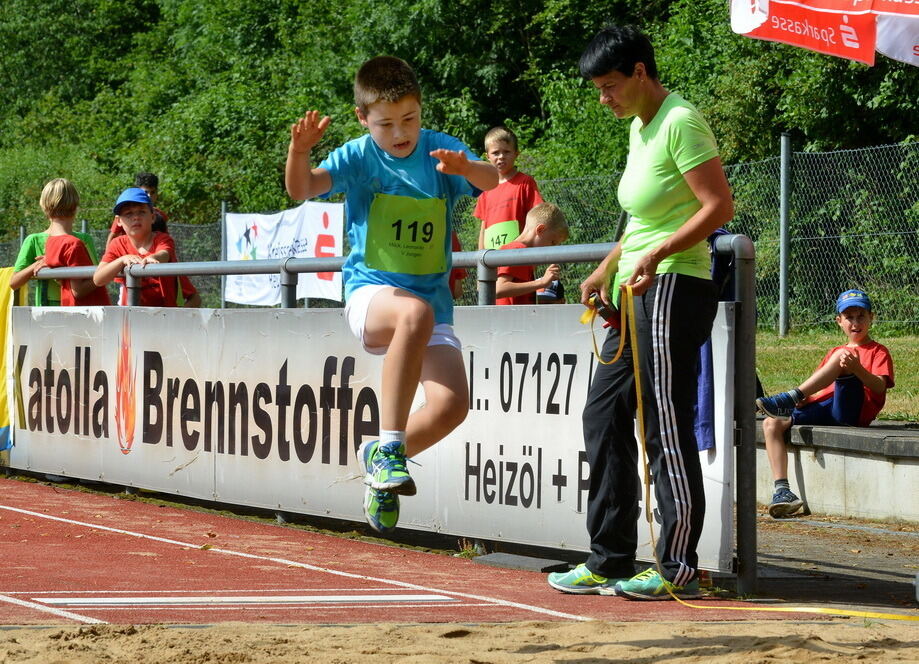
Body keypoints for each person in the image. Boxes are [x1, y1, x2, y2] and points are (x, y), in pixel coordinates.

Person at [546, 25, 734, 600]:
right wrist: (608, 266)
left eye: (609, 86)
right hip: (634, 288)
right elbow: (638, 220)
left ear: (640, 73)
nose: (603, 98)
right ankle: (610, 559)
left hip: (676, 285)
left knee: (665, 426)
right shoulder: (638, 126)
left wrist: (659, 252)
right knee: (603, 418)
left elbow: (718, 206)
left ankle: (677, 565)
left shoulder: (680, 121)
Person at [284, 56, 498, 535]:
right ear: (364, 118)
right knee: (411, 314)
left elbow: (492, 182)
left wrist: (469, 167)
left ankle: (376, 457)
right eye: (386, 124)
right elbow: (302, 189)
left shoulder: (439, 151)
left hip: (431, 305)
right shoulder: (359, 155)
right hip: (372, 295)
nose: (400, 133)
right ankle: (392, 446)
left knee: (451, 408)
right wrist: (299, 152)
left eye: (410, 120)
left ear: (422, 110)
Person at [756, 289, 894, 518]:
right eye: (849, 317)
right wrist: (807, 400)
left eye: (861, 316)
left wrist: (856, 369)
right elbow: (822, 387)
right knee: (772, 424)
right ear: (839, 321)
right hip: (827, 407)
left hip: (853, 411)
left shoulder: (878, 351)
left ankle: (791, 396)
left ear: (872, 318)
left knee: (843, 357)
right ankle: (782, 491)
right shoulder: (835, 352)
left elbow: (879, 387)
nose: (855, 322)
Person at [94, 187, 201, 307]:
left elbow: (164, 254)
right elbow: (98, 279)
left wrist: (154, 258)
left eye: (141, 212)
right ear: (118, 221)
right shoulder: (117, 244)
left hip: (163, 318)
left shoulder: (162, 239)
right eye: (128, 213)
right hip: (132, 318)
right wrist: (122, 260)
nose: (136, 217)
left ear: (153, 217)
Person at [10, 178, 102, 306]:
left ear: (44, 208)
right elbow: (14, 281)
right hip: (47, 310)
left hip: (77, 309)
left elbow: (95, 275)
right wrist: (38, 264)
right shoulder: (34, 240)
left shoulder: (84, 240)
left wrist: (57, 267)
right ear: (76, 207)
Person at [474, 126, 543, 250]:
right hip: (491, 260)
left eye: (506, 152)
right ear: (487, 156)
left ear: (516, 154)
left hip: (518, 256)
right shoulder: (485, 189)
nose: (501, 156)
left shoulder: (525, 183)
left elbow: (537, 216)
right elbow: (484, 227)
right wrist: (480, 258)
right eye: (495, 153)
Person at [495, 202, 568, 305]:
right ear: (540, 230)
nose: (552, 248)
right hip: (509, 319)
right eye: (552, 242)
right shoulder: (518, 250)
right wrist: (542, 282)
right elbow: (499, 289)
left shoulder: (523, 253)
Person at [105, 172, 169, 248]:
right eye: (145, 192)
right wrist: (109, 257)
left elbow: (166, 241)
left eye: (152, 192)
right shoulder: (124, 216)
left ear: (153, 217)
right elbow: (112, 236)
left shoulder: (161, 215)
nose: (149, 196)